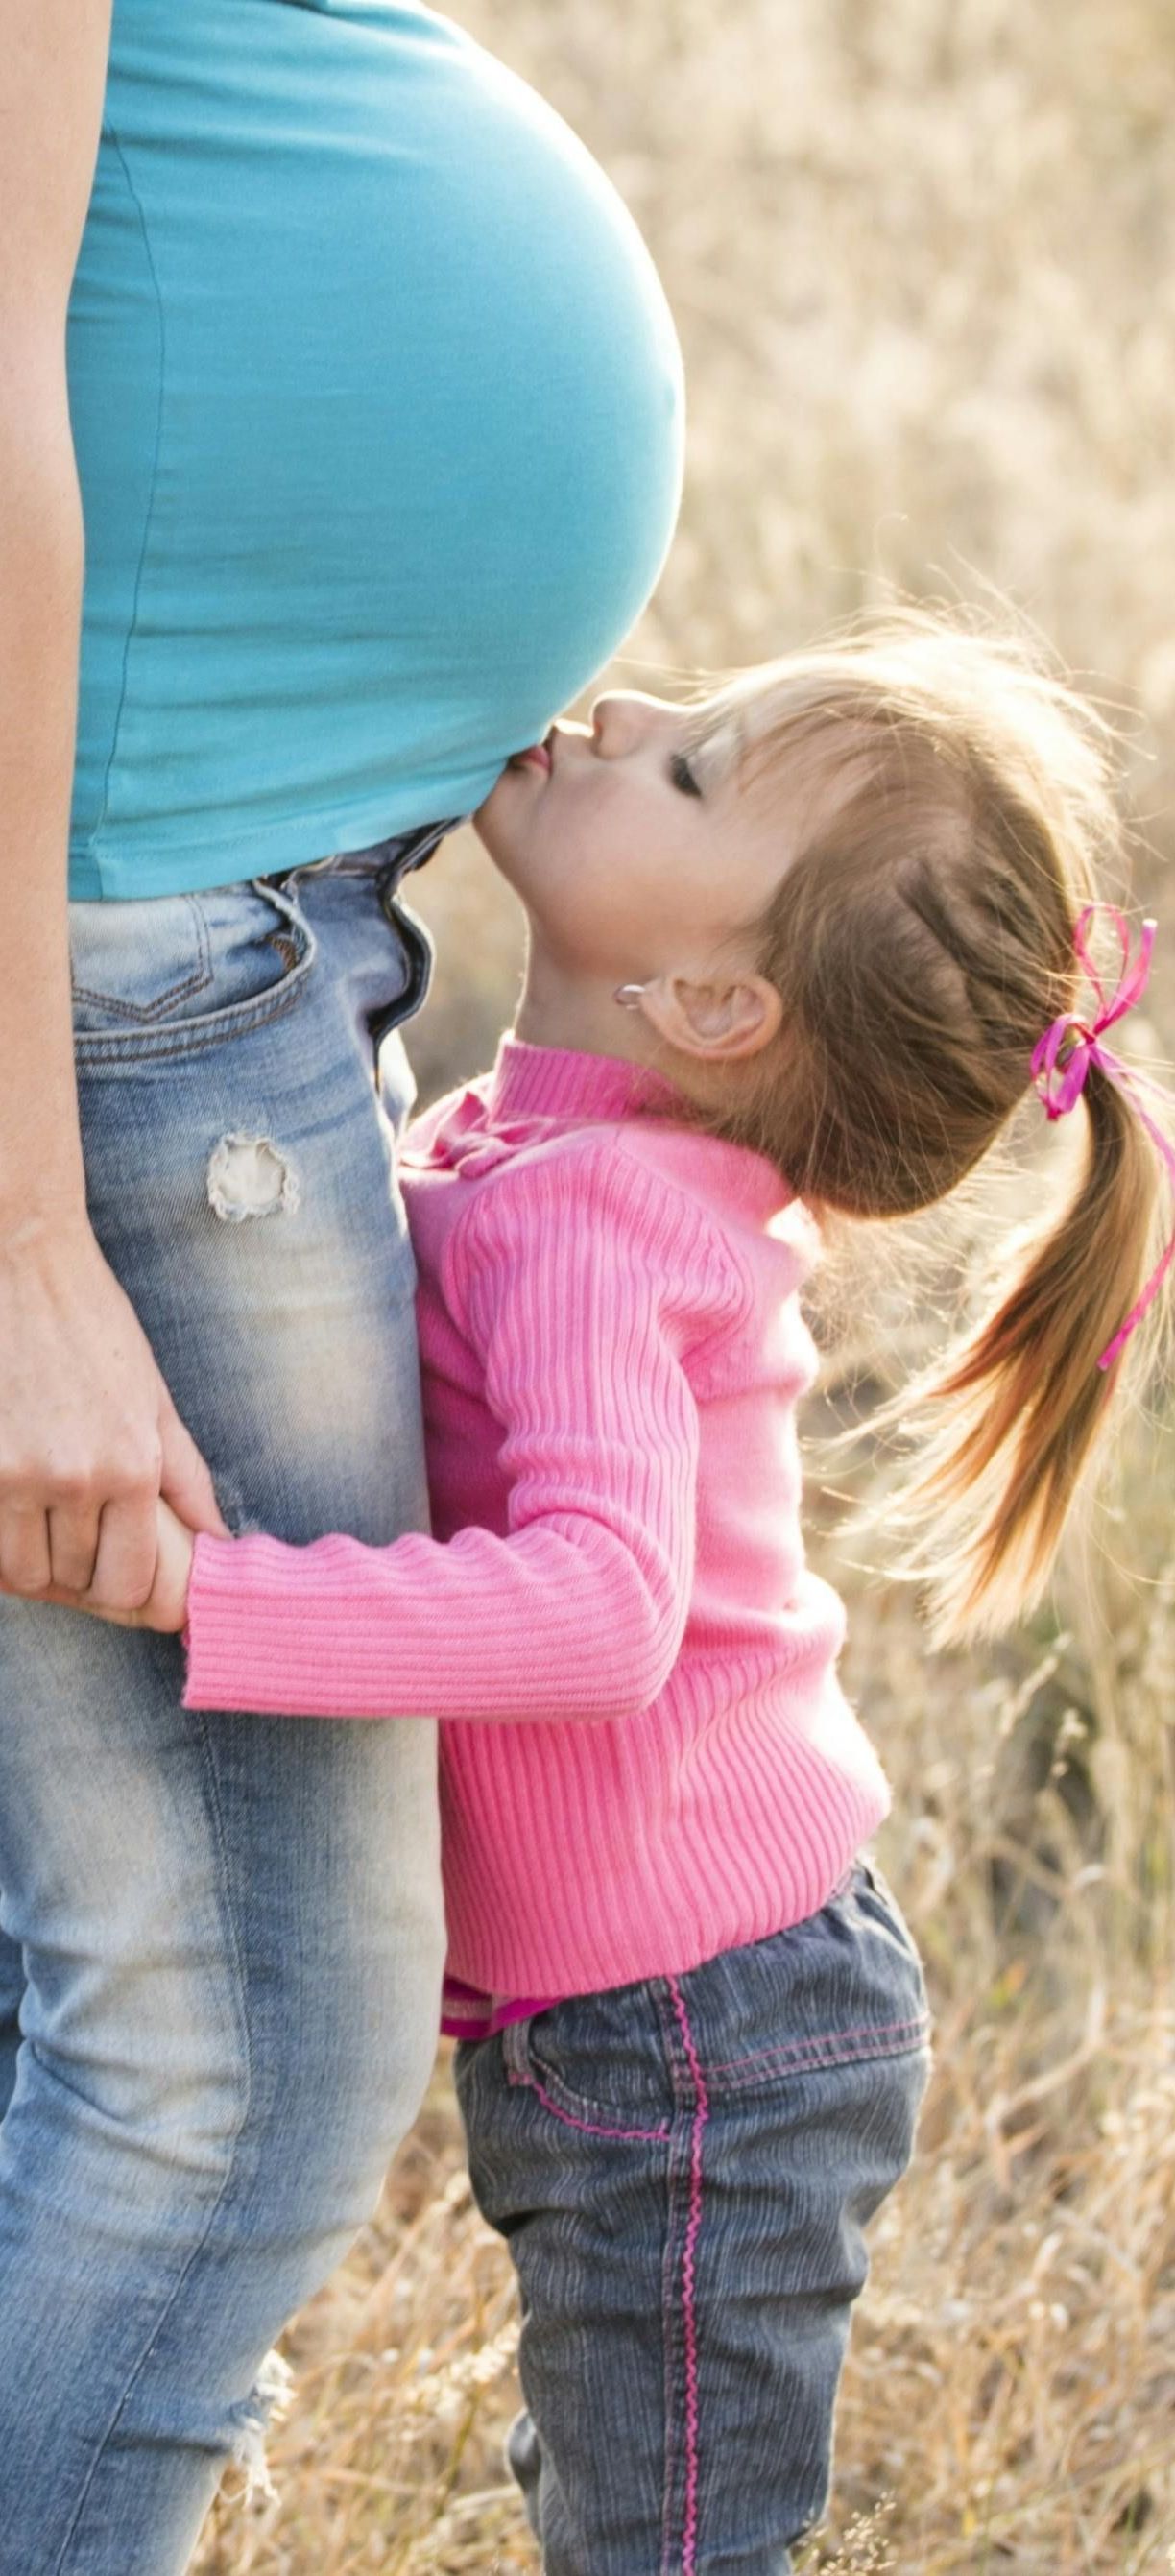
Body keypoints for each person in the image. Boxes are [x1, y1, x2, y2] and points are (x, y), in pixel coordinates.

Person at [47, 614, 1173, 2569]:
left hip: (707, 2037)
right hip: (681, 2010)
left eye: (694, 770)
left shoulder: (595, 1218)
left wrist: (211, 1596)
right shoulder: (561, 1139)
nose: (631, 709)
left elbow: (596, 1609)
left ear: (716, 1004)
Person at [0, 1, 683, 2567]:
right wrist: (26, 1236)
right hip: (103, 924)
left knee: (94, 1992)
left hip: (202, 892)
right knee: (228, 2064)